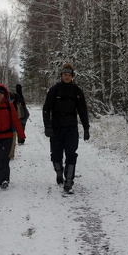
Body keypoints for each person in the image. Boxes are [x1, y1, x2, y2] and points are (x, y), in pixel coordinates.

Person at [42, 63, 90, 194]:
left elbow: (83, 111)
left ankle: (69, 181)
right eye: (64, 75)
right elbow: (46, 109)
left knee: (71, 154)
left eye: (69, 75)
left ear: (72, 76)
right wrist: (47, 125)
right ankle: (59, 172)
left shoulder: (77, 91)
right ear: (61, 75)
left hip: (71, 129)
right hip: (56, 128)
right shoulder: (54, 90)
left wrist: (86, 128)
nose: (67, 77)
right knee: (56, 155)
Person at [9, 83, 30, 159]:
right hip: (22, 115)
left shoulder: (14, 96)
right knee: (22, 127)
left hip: (19, 115)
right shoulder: (20, 96)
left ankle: (20, 139)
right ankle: (21, 139)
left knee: (17, 128)